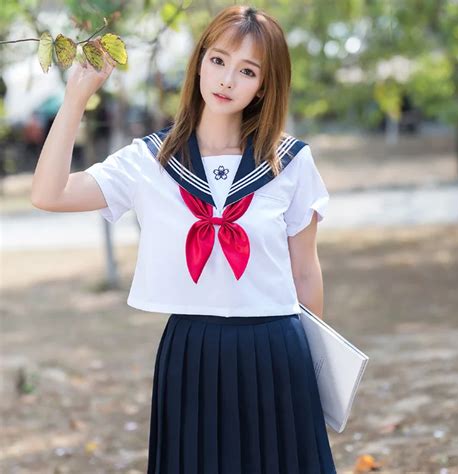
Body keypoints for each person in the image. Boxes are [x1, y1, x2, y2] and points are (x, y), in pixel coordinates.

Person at [31, 5, 337, 474]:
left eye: (247, 70)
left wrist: (319, 368)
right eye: (217, 60)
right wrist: (77, 97)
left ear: (264, 85)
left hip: (278, 349)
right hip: (193, 351)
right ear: (199, 62)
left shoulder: (290, 162)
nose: (227, 79)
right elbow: (49, 194)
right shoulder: (149, 160)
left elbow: (304, 270)